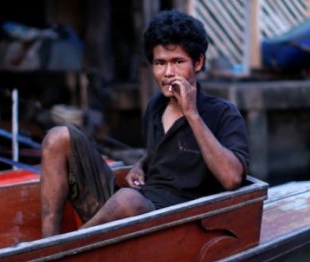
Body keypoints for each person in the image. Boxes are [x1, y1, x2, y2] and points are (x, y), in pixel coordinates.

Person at [40, 9, 250, 237]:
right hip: (136, 206)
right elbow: (166, 151)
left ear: (198, 63)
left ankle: (67, 246)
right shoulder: (154, 107)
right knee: (58, 136)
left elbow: (231, 179)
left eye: (178, 62)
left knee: (128, 200)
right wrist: (142, 164)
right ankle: (47, 243)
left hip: (176, 223)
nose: (168, 72)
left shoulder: (222, 113)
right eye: (160, 63)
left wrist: (192, 114)